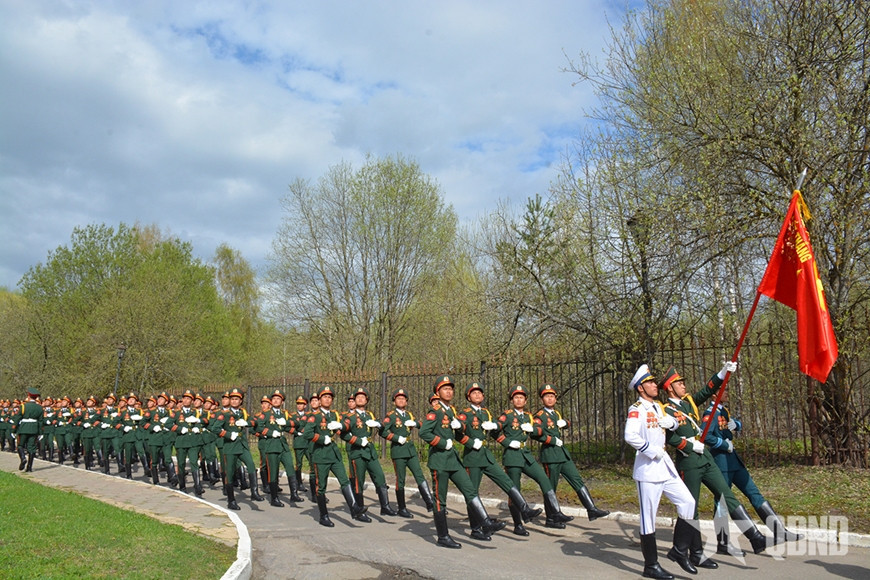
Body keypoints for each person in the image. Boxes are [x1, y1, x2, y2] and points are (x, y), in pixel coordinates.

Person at [660, 363, 770, 563]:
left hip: (706, 458)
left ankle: (755, 536)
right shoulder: (665, 410)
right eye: (679, 383)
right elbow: (669, 438)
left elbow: (707, 390)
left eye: (683, 382)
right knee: (691, 507)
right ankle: (695, 553)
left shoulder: (688, 403)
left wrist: (723, 373)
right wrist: (689, 446)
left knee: (726, 495)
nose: (683, 385)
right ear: (670, 387)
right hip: (689, 462)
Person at [702, 389, 803, 553]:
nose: (727, 393)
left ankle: (780, 531)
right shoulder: (710, 413)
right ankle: (723, 542)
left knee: (754, 493)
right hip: (721, 463)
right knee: (722, 502)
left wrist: (737, 425)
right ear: (714, 394)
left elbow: (730, 424)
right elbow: (705, 436)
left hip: (734, 461)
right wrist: (724, 444)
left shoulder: (723, 411)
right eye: (723, 390)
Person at [624, 364, 696, 580]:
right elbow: (630, 436)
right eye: (650, 383)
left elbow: (671, 422)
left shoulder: (657, 406)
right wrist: (650, 450)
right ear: (640, 388)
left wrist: (671, 423)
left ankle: (680, 550)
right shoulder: (637, 409)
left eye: (655, 382)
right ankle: (651, 565)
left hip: (664, 466)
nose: (655, 385)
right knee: (648, 519)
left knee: (688, 503)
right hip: (648, 469)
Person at [419, 375, 505, 549]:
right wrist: (442, 443)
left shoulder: (451, 411)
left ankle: (485, 522)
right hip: (439, 462)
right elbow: (424, 433)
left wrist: (462, 429)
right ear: (438, 392)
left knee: (470, 489)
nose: (449, 391)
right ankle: (443, 536)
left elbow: (459, 432)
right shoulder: (435, 411)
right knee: (440, 499)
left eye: (450, 389)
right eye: (445, 389)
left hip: (453, 460)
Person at [456, 382, 543, 537]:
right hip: (473, 457)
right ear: (468, 397)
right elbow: (458, 433)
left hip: (486, 455)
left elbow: (495, 430)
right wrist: (470, 442)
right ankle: (476, 529)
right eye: (474, 393)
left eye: (479, 393)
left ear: (483, 396)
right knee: (473, 493)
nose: (477, 395)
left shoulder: (486, 413)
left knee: (506, 481)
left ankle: (524, 509)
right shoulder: (465, 413)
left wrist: (500, 433)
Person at [495, 385, 573, 532]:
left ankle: (555, 512)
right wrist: (507, 442)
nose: (519, 400)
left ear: (526, 400)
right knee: (515, 490)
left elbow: (539, 431)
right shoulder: (507, 415)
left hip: (526, 455)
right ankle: (518, 524)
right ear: (512, 400)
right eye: (516, 397)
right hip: (512, 456)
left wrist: (534, 429)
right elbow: (495, 431)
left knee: (544, 479)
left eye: (521, 397)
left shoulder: (529, 416)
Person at [533, 383, 610, 522]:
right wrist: (552, 440)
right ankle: (551, 518)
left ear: (555, 398)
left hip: (562, 454)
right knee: (550, 487)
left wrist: (566, 423)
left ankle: (591, 509)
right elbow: (534, 433)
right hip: (550, 455)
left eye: (552, 396)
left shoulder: (556, 413)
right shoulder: (540, 416)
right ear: (542, 399)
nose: (550, 399)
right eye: (547, 396)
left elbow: (564, 423)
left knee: (576, 479)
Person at [302, 386, 369, 526]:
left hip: (334, 453)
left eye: (329, 397)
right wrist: (321, 439)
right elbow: (307, 433)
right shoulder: (314, 416)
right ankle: (324, 516)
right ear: (319, 400)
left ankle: (354, 508)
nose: (327, 399)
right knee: (321, 486)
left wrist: (343, 428)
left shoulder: (334, 415)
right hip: (321, 455)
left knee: (344, 480)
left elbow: (344, 427)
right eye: (324, 397)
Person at [341, 387, 397, 517]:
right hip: (358, 452)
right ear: (355, 400)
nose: (360, 399)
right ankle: (360, 511)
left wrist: (379, 425)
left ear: (367, 400)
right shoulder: (350, 417)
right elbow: (343, 434)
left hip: (370, 451)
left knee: (380, 476)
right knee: (358, 481)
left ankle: (385, 506)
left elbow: (381, 426)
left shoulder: (369, 415)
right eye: (358, 397)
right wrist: (358, 441)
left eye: (363, 397)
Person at [379, 387, 435, 517]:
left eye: (403, 399)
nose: (401, 400)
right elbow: (382, 432)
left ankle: (429, 502)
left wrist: (415, 423)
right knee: (401, 480)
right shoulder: (391, 416)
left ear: (407, 401)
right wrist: (396, 438)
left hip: (410, 449)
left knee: (419, 475)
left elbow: (421, 424)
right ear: (394, 401)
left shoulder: (409, 415)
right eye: (398, 399)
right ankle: (402, 508)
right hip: (398, 451)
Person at [209, 387, 264, 510]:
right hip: (230, 446)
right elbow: (215, 428)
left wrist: (247, 423)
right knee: (229, 473)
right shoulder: (224, 414)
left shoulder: (243, 413)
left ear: (241, 401)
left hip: (242, 445)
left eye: (236, 399)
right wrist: (228, 434)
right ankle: (231, 500)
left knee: (251, 465)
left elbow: (255, 422)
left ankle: (254, 492)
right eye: (232, 399)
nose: (234, 401)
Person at [252, 389, 303, 507]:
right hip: (271, 445)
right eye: (274, 398)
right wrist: (270, 433)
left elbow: (296, 422)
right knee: (273, 472)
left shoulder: (285, 414)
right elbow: (258, 427)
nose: (275, 400)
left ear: (282, 401)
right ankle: (274, 498)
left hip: (283, 445)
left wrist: (286, 423)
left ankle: (294, 494)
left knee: (290, 467)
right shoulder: (266, 414)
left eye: (278, 399)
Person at [142, 392, 179, 487]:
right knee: (154, 461)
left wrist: (170, 427)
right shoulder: (151, 411)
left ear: (166, 402)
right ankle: (156, 480)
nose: (159, 400)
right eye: (159, 398)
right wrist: (152, 427)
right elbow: (143, 422)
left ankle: (173, 477)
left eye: (162, 399)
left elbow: (176, 422)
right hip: (155, 439)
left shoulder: (170, 412)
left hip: (166, 439)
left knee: (168, 458)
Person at [174, 389, 206, 496]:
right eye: (184, 398)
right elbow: (169, 424)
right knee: (181, 463)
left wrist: (198, 426)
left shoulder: (196, 412)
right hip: (181, 441)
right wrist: (179, 429)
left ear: (192, 401)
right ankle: (182, 486)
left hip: (193, 441)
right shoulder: (177, 413)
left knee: (194, 462)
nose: (186, 400)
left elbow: (205, 421)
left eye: (188, 399)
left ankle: (197, 486)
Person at [15, 387, 44, 472]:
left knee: (20, 445)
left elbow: (18, 418)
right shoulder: (39, 408)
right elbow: (41, 421)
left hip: (24, 428)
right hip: (34, 429)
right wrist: (40, 432)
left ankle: (23, 458)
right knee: (32, 448)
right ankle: (29, 467)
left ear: (28, 396)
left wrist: (14, 429)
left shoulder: (23, 406)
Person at [292, 395, 311, 495]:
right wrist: (297, 431)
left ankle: (313, 482)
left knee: (312, 462)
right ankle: (298, 483)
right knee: (299, 464)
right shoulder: (293, 416)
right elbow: (291, 426)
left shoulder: (309, 415)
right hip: (298, 443)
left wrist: (305, 430)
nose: (299, 406)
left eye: (301, 404)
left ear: (305, 405)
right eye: (298, 404)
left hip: (307, 442)